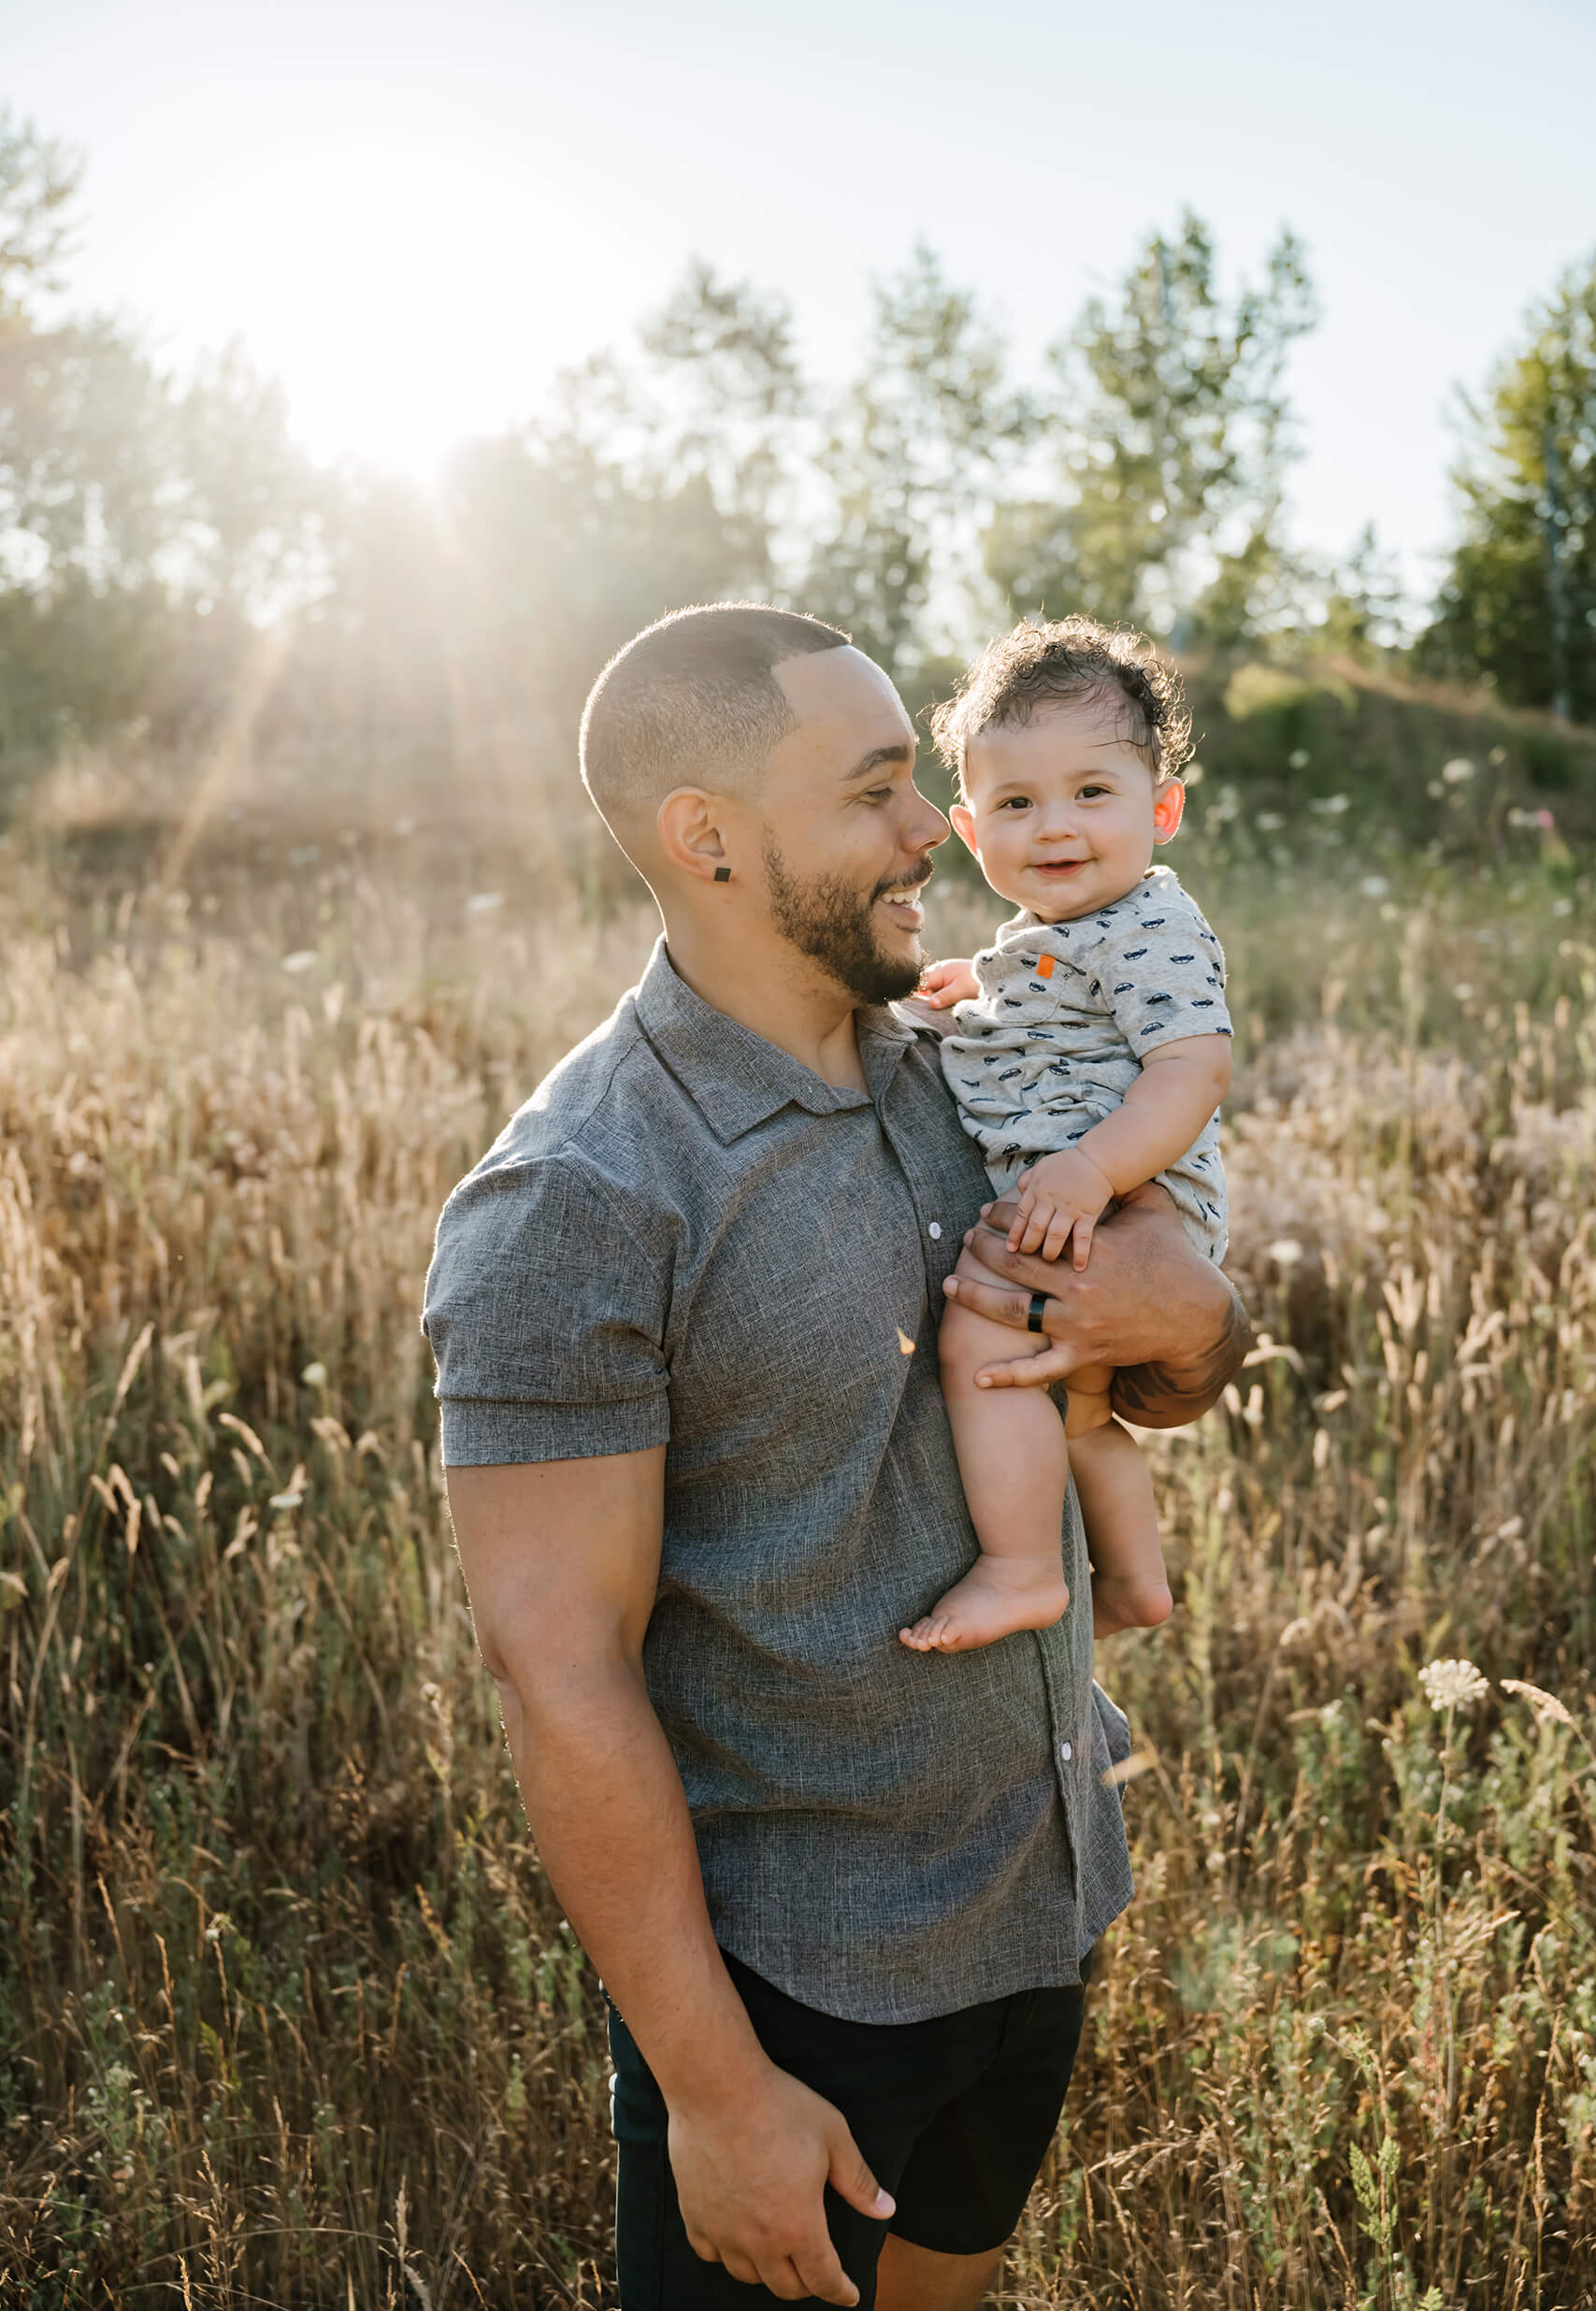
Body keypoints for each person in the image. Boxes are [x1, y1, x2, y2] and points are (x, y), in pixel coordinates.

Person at [422, 604, 1250, 2311]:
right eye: (880, 789)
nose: (936, 828)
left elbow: (1162, 1364)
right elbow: (558, 1673)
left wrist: (1195, 1324)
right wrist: (716, 2096)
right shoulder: (580, 1195)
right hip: (801, 1990)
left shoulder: (967, 1054)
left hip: (1037, 1905)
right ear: (706, 840)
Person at [900, 618, 1232, 1656]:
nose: (1055, 826)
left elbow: (1192, 1067)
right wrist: (978, 993)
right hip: (1084, 1201)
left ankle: (1022, 1569)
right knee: (1082, 1414)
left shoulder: (1151, 925)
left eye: (1092, 791)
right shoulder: (1054, 938)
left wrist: (1093, 1171)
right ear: (969, 829)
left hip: (1123, 1205)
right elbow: (1054, 1013)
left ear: (1161, 808)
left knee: (979, 1342)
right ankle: (1135, 1583)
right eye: (1016, 802)